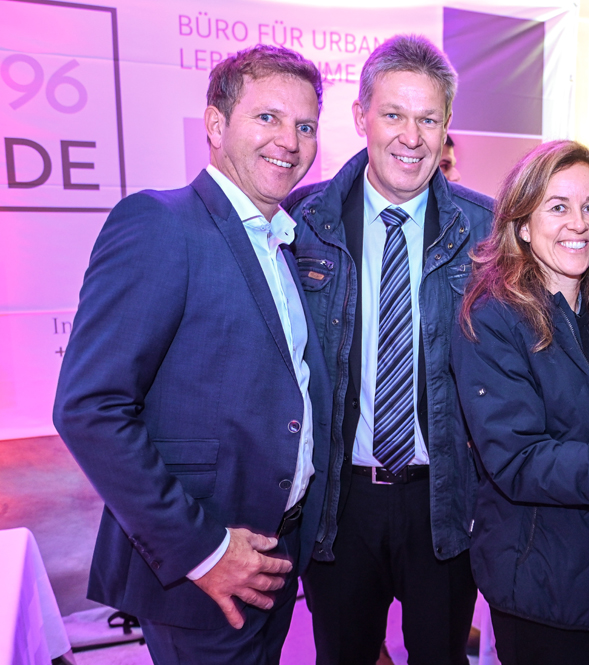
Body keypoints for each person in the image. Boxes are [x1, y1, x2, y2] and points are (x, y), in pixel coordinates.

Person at [52, 45, 332, 664]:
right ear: (215, 124)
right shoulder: (161, 223)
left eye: (306, 126)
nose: (289, 141)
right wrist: (204, 551)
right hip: (203, 567)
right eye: (267, 118)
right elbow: (89, 408)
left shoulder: (283, 243)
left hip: (274, 554)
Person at [283, 34, 492, 664]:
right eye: (394, 114)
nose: (411, 137)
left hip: (444, 502)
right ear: (360, 117)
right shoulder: (301, 222)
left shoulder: (486, 230)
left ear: (446, 127)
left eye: (428, 119)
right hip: (340, 503)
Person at [451, 140, 589, 665]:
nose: (579, 223)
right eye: (558, 207)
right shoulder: (493, 319)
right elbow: (520, 461)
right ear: (523, 225)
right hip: (541, 574)